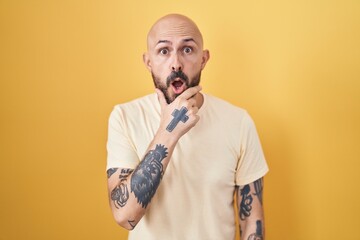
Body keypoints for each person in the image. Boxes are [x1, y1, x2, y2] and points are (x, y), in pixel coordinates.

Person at [106, 13, 269, 240]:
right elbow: (125, 215)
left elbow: (252, 220)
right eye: (164, 51)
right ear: (148, 61)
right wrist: (169, 131)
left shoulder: (239, 122)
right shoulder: (125, 117)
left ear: (203, 59)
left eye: (187, 49)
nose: (176, 63)